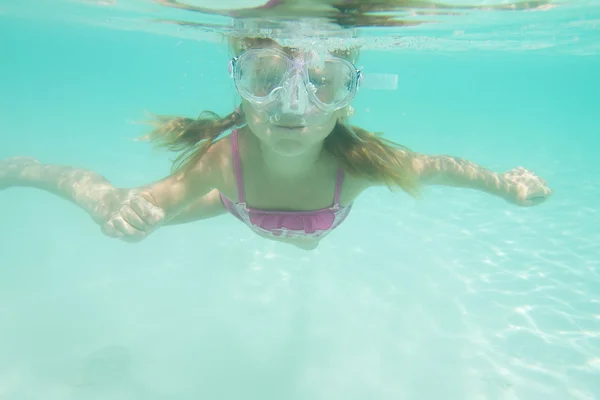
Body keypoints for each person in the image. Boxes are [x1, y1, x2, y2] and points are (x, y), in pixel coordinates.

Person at [0, 34, 552, 251]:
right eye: (266, 78)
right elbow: (157, 201)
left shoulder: (359, 166)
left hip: (249, 207)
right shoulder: (225, 159)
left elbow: (443, 169)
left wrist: (505, 187)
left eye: (322, 84)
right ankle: (29, 171)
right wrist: (130, 215)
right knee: (110, 207)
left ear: (348, 98)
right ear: (241, 94)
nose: (293, 105)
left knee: (304, 247)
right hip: (231, 200)